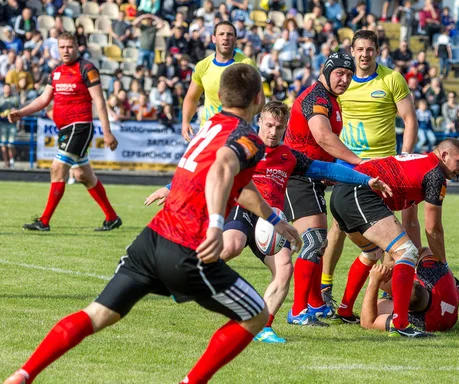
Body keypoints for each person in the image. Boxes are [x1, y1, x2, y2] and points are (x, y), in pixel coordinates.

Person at [3, 64, 302, 384]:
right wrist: (216, 224)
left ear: (221, 95)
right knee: (256, 314)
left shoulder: (212, 124)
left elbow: (239, 184)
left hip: (151, 239)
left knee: (97, 314)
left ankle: (22, 375)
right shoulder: (248, 138)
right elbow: (222, 169)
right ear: (258, 98)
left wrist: (272, 217)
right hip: (189, 247)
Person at [146, 100, 390, 342]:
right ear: (259, 122)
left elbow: (326, 169)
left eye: (279, 127)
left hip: (273, 222)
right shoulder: (242, 148)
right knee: (232, 245)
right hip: (242, 211)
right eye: (270, 125)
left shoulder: (288, 157)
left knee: (284, 269)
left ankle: (263, 326)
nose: (273, 132)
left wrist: (364, 180)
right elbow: (206, 169)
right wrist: (170, 188)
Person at [319, 31, 418, 318]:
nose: (364, 54)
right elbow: (324, 120)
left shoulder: (391, 79)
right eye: (359, 49)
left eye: (370, 49)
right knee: (337, 226)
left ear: (377, 51)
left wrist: (405, 160)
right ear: (352, 50)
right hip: (349, 165)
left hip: (384, 167)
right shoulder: (341, 80)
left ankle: (388, 293)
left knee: (388, 230)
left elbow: (409, 120)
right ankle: (326, 287)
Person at [329, 139, 459, 336]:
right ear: (444, 155)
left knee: (371, 253)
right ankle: (401, 324)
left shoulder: (421, 164)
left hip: (343, 192)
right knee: (406, 251)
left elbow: (411, 222)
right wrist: (442, 266)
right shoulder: (436, 175)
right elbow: (433, 228)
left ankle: (344, 310)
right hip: (360, 192)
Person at [8, 33, 121, 232]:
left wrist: (107, 132)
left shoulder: (87, 68)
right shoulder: (57, 72)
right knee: (83, 175)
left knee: (57, 168)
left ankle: (44, 221)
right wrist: (21, 113)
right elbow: (43, 100)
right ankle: (112, 217)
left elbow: (100, 101)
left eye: (69, 47)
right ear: (57, 49)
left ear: (77, 47)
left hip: (80, 127)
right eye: (62, 47)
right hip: (65, 129)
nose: (65, 51)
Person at [283, 52, 366, 326]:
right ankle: (297, 311)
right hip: (297, 175)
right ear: (326, 70)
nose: (344, 79)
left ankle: (316, 304)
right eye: (339, 73)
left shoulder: (330, 98)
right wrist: (357, 162)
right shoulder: (316, 97)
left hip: (312, 177)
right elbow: (322, 136)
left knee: (318, 242)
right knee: (314, 241)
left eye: (349, 75)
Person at [181, 21, 258, 141]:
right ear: (213, 38)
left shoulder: (246, 64)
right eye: (221, 34)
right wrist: (185, 122)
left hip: (236, 132)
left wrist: (240, 119)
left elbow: (259, 100)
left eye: (230, 34)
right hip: (208, 133)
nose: (225, 38)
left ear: (235, 39)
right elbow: (191, 97)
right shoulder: (202, 66)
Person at [360, 249, 459, 333]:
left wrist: (374, 281)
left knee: (377, 302)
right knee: (390, 274)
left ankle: (385, 249)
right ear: (419, 282)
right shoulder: (431, 274)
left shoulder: (415, 321)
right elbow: (425, 251)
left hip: (446, 302)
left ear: (408, 311)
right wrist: (400, 262)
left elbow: (367, 322)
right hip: (450, 294)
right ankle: (389, 252)